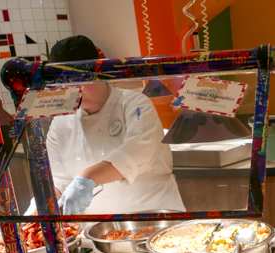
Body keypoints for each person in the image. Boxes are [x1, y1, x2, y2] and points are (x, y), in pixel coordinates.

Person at [45, 35, 185, 215]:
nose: (74, 89)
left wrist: (87, 177)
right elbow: (58, 180)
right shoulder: (61, 120)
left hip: (153, 218)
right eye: (65, 83)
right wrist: (40, 209)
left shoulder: (134, 104)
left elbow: (137, 151)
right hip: (96, 232)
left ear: (99, 72)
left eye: (80, 80)